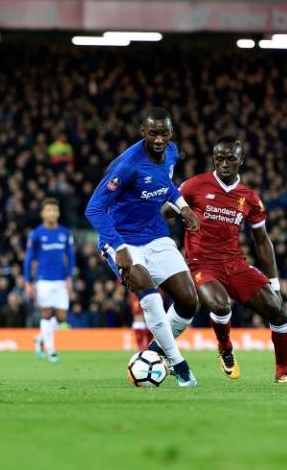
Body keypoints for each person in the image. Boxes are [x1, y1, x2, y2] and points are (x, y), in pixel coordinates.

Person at [171, 136, 287, 384]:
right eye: (219, 158)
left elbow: (262, 241)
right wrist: (180, 213)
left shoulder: (250, 198)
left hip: (235, 264)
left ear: (241, 160)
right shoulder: (194, 185)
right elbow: (165, 212)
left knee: (277, 311)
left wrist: (274, 282)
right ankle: (225, 347)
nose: (224, 164)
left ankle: (283, 373)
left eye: (230, 158)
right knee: (221, 305)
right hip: (202, 264)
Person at [85, 107, 202, 387]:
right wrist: (118, 247)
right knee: (150, 295)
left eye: (164, 133)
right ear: (143, 133)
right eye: (153, 133)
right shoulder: (126, 165)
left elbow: (166, 185)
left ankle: (154, 353)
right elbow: (94, 208)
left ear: (171, 133)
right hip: (124, 240)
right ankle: (180, 366)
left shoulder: (172, 152)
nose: (159, 139)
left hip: (156, 235)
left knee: (189, 301)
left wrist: (183, 207)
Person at [24, 198, 75, 362]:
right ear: (42, 213)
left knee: (61, 317)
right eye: (49, 210)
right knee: (46, 314)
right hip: (43, 280)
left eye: (55, 210)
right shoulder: (36, 234)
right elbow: (29, 259)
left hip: (60, 280)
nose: (52, 213)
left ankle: (40, 339)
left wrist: (69, 277)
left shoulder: (65, 233)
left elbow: (70, 256)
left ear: (58, 213)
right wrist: (27, 282)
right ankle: (51, 350)